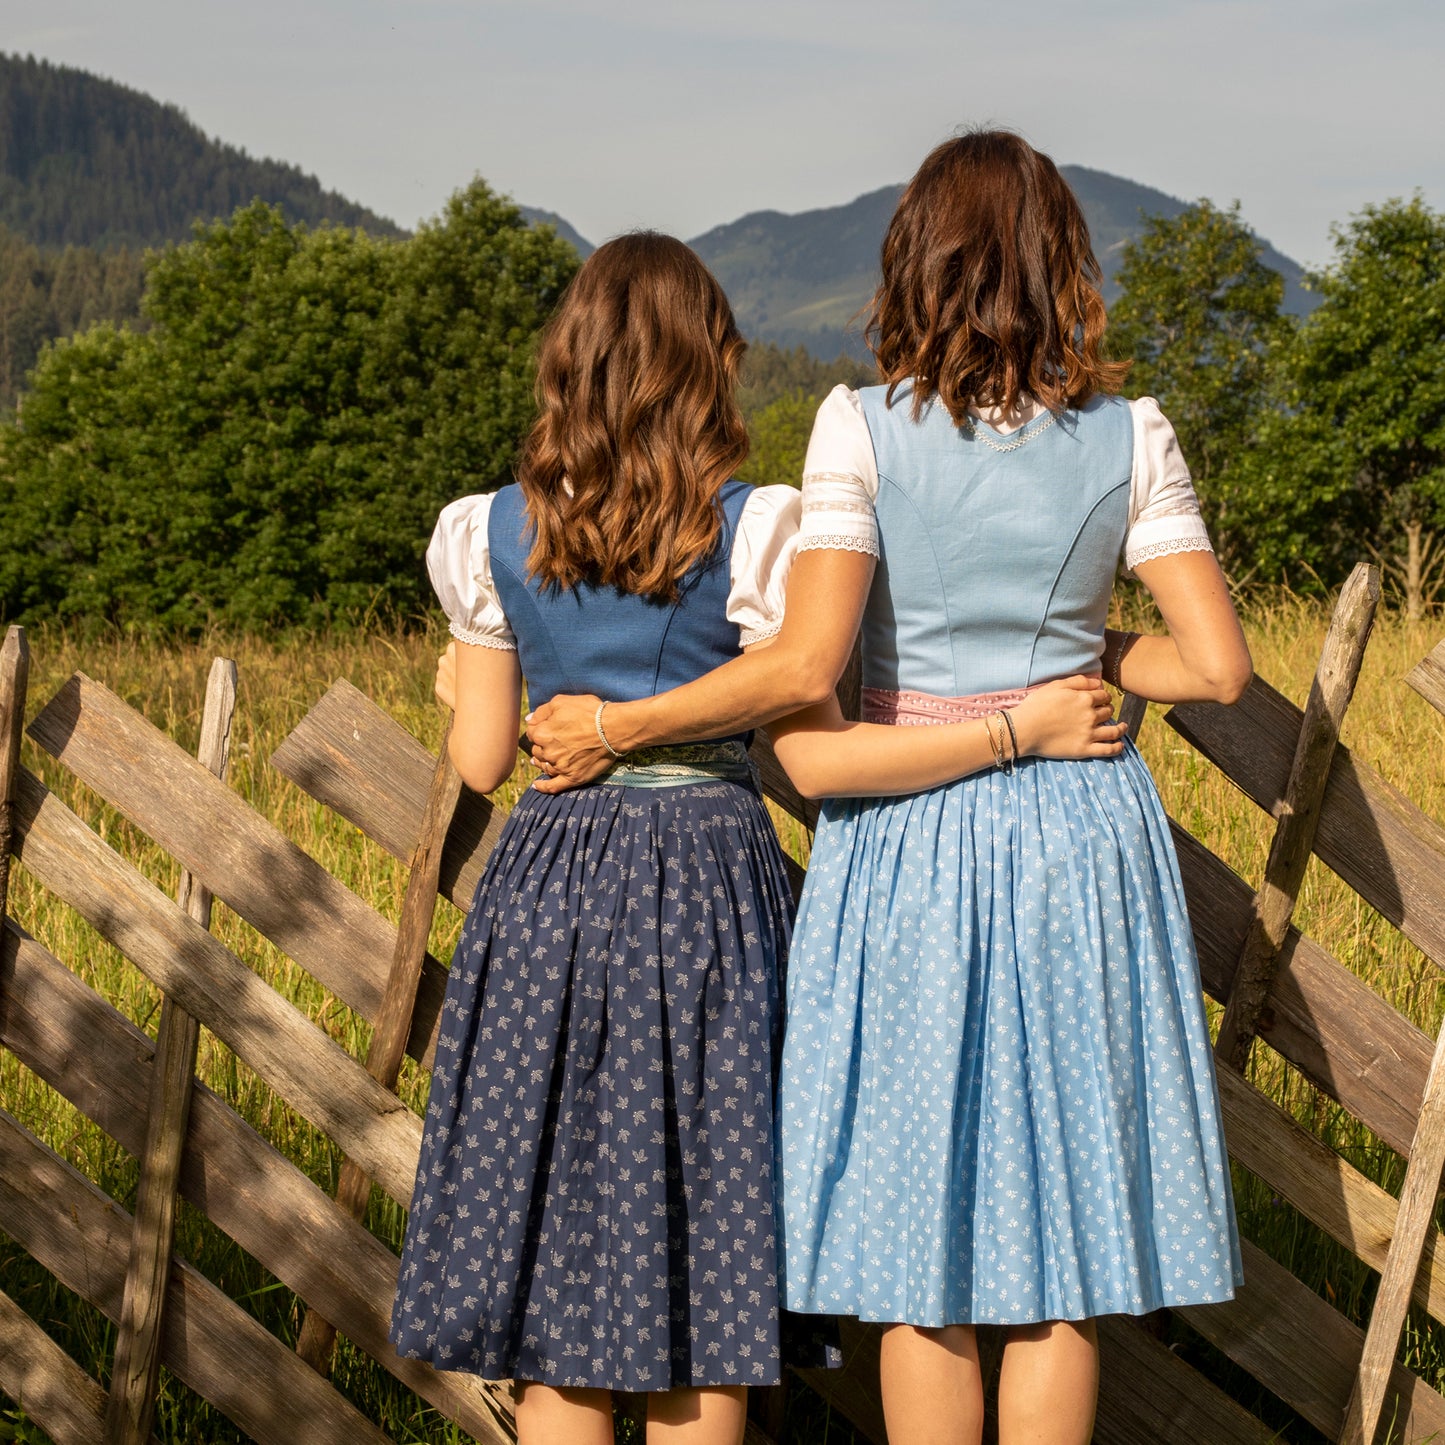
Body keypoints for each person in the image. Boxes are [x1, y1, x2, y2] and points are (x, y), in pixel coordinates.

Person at [526, 133, 1251, 1445]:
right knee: (1060, 1268)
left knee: (925, 1269)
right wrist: (1077, 653)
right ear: (1060, 266)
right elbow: (1213, 666)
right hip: (1078, 837)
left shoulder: (855, 426)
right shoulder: (1132, 433)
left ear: (917, 262)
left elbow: (815, 664)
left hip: (907, 836)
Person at [389, 230, 1123, 1445]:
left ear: (564, 366)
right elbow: (794, 682)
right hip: (705, 883)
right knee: (702, 1260)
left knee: (554, 1291)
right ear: (704, 372)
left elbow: (480, 760)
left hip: (549, 889)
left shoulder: (486, 533)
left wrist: (453, 684)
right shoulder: (754, 526)